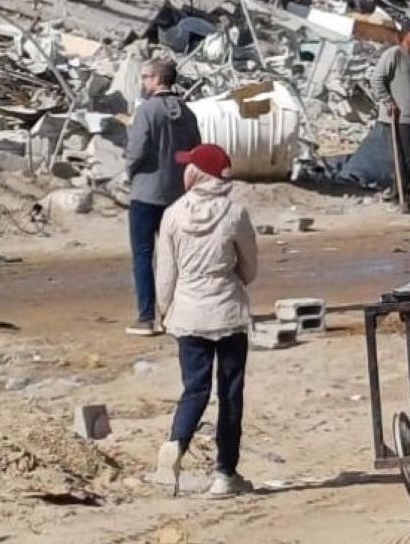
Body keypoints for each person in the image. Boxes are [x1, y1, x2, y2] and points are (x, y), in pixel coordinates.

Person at [152, 143, 259, 498]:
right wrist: (231, 279)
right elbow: (250, 269)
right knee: (230, 393)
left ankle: (175, 444)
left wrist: (164, 310)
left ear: (197, 173)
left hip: (188, 313)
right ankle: (225, 474)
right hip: (227, 312)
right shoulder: (235, 214)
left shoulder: (172, 214)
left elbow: (165, 273)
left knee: (194, 389)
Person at [125, 59, 202, 337]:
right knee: (179, 256)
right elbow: (194, 154)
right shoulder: (187, 113)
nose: (143, 82)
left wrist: (129, 173)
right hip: (178, 194)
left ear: (157, 79)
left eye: (146, 77)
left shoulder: (147, 111)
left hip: (146, 193)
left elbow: (136, 151)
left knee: (144, 255)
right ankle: (180, 312)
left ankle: (147, 317)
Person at [368, 21, 410, 212]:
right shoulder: (394, 54)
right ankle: (402, 198)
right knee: (406, 159)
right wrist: (388, 102)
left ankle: (396, 194)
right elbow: (377, 79)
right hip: (398, 117)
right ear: (406, 34)